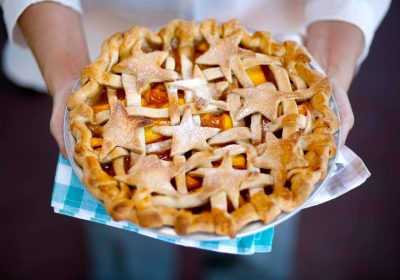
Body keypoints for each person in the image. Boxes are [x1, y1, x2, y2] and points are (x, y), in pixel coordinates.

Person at [0, 0, 390, 279]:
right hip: (97, 41)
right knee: (126, 252)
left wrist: (330, 71)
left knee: (257, 251)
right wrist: (68, 74)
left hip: (274, 87)